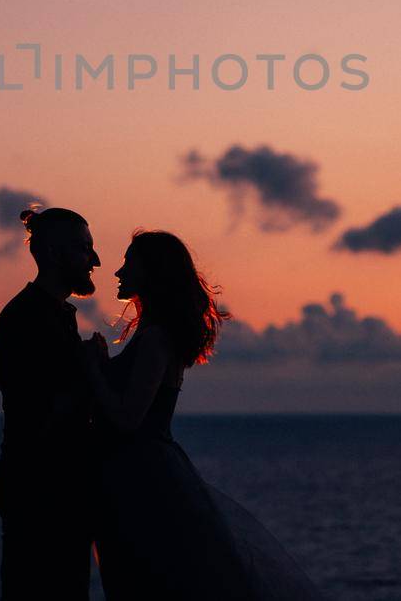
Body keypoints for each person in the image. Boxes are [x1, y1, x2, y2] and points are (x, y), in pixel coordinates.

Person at [80, 229, 324, 600]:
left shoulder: (157, 339)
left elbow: (129, 418)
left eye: (129, 261)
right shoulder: (152, 334)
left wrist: (94, 370)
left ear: (152, 270)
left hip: (144, 481)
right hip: (136, 475)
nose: (118, 271)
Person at [0, 206, 100, 600]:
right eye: (85, 249)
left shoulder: (53, 315)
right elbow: (41, 410)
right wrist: (92, 375)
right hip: (40, 490)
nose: (96, 260)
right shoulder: (27, 318)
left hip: (53, 488)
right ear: (55, 254)